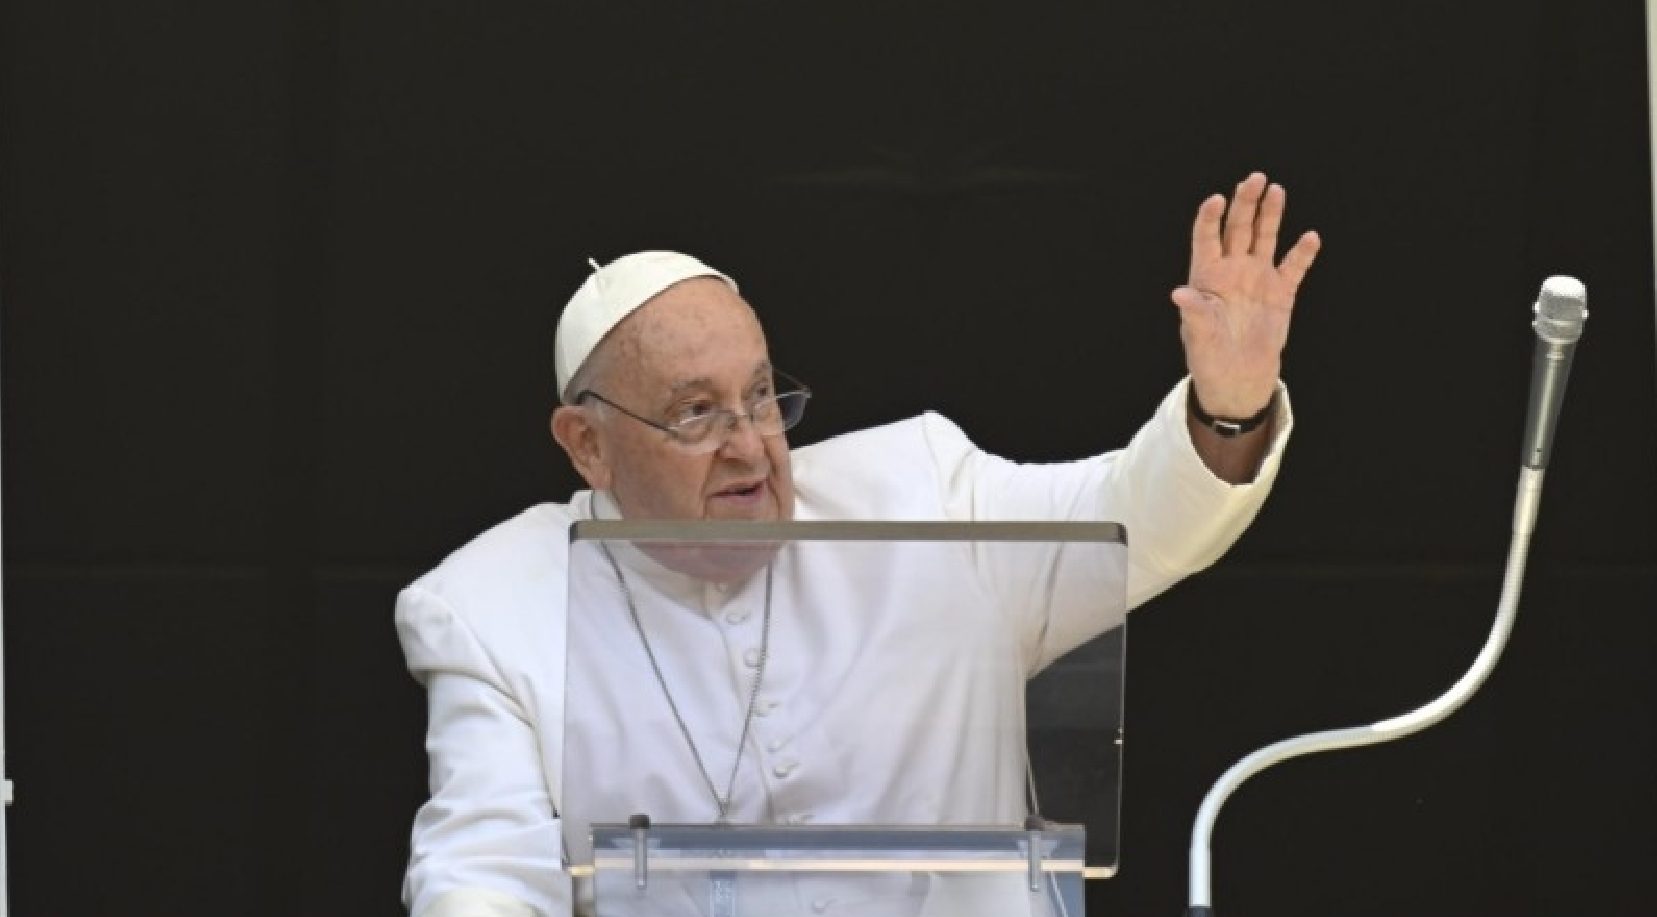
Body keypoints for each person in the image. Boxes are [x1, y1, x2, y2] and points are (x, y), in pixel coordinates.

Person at [395, 172, 1322, 917]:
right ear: (587, 444)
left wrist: (1225, 405)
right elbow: (481, 872)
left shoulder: (919, 491)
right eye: (694, 413)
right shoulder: (491, 605)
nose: (751, 444)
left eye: (761, 396)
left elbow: (1136, 520)